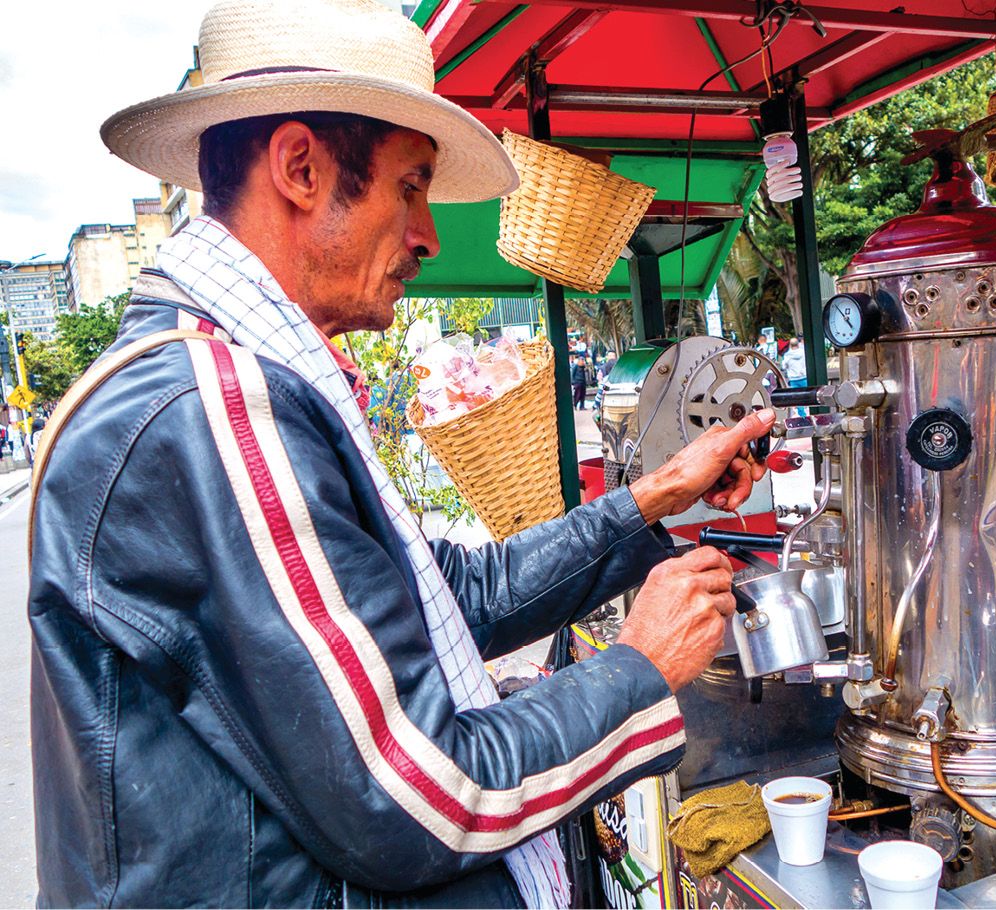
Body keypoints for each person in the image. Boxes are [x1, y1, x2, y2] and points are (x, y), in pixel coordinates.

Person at [27, 2, 776, 906]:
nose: (425, 235)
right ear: (300, 168)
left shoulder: (245, 377)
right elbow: (417, 801)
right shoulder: (212, 406)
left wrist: (652, 499)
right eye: (410, 187)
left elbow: (450, 594)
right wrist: (637, 667)